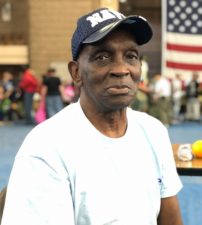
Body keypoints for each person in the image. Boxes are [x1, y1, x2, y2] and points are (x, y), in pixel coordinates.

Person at [2, 8, 183, 225]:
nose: (121, 69)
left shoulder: (154, 132)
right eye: (103, 57)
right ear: (76, 73)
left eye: (131, 56)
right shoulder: (47, 147)